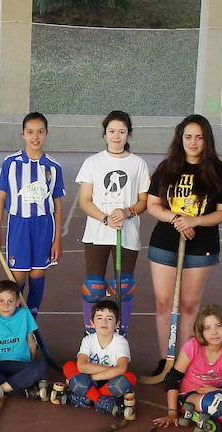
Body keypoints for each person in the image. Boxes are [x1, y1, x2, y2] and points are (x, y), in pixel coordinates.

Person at [143, 115, 222, 377]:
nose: (193, 142)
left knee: (189, 305)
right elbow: (153, 205)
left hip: (200, 246)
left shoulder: (218, 171)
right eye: (188, 136)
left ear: (207, 140)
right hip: (165, 244)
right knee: (164, 302)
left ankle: (182, 363)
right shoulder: (167, 168)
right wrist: (177, 219)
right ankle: (166, 358)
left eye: (199, 137)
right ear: (180, 139)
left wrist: (196, 220)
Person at [75, 110, 150, 334]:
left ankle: (120, 334)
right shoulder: (92, 162)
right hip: (97, 234)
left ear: (128, 134)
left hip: (127, 235)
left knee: (123, 287)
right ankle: (92, 336)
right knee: (94, 287)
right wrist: (106, 219)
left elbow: (143, 201)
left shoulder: (138, 164)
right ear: (104, 134)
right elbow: (85, 201)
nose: (116, 136)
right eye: (111, 131)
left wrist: (127, 212)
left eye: (121, 131)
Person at [0, 112, 64, 318]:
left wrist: (57, 240)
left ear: (46, 133)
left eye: (40, 132)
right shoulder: (10, 163)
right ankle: (9, 325)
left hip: (44, 226)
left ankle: (29, 328)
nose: (35, 136)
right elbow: (0, 199)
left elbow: (57, 204)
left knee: (38, 275)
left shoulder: (53, 167)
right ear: (23, 134)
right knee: (17, 280)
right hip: (19, 226)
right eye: (30, 132)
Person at [153, 305, 222, 432]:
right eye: (207, 328)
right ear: (201, 332)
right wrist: (172, 412)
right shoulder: (193, 346)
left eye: (219, 326)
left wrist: (220, 391)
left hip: (216, 393)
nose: (214, 332)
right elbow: (172, 378)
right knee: (214, 403)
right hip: (189, 395)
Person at [57, 298, 135, 418]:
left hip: (105, 380)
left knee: (129, 378)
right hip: (89, 376)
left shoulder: (121, 342)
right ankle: (99, 400)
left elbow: (121, 369)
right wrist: (109, 369)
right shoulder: (88, 340)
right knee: (69, 366)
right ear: (92, 323)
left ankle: (85, 396)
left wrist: (90, 377)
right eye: (99, 318)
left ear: (117, 324)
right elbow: (81, 366)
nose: (104, 322)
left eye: (109, 319)